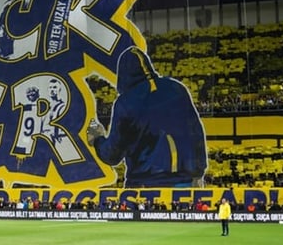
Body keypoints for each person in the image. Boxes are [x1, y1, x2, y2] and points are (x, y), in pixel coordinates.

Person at [86, 46, 207, 187]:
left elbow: (112, 155)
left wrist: (97, 139)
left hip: (145, 185)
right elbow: (196, 134)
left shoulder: (126, 102)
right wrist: (199, 174)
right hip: (186, 183)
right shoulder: (177, 89)